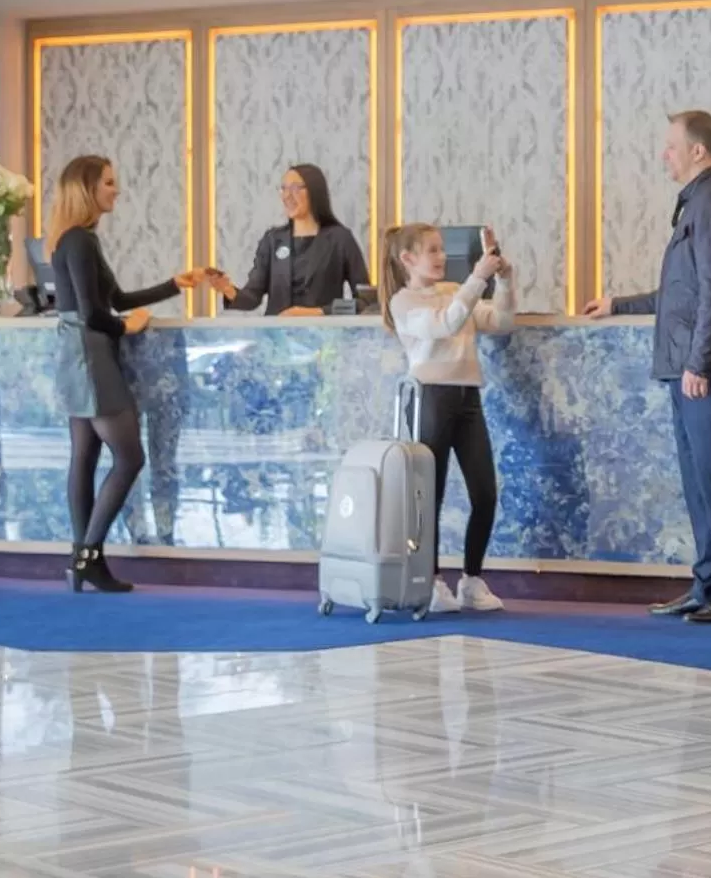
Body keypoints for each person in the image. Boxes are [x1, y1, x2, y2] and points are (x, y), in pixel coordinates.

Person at [583, 110, 711, 625]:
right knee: (699, 481)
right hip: (691, 367)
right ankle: (707, 585)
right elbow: (683, 294)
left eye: (670, 146)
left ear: (697, 151)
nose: (665, 154)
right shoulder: (697, 204)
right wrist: (619, 303)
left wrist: (700, 361)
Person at [48, 154, 207, 592]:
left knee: (85, 456)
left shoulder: (75, 240)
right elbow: (97, 313)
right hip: (91, 355)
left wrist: (175, 284)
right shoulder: (79, 241)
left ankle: (83, 559)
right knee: (130, 457)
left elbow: (115, 297)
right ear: (88, 189)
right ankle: (86, 556)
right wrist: (126, 326)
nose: (116, 190)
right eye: (109, 183)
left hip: (79, 353)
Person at [381, 222, 517, 614]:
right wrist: (478, 277)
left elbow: (501, 321)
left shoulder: (454, 292)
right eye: (432, 251)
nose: (442, 258)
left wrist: (504, 280)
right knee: (430, 496)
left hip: (467, 397)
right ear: (408, 259)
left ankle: (472, 580)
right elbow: (446, 323)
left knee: (485, 493)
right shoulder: (403, 302)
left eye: (442, 250)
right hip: (430, 399)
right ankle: (432, 581)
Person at [212, 163, 370, 316]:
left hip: (325, 339)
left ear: (315, 191)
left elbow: (365, 302)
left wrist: (319, 312)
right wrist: (226, 289)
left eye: (295, 188)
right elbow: (252, 297)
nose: (287, 195)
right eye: (283, 189)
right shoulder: (272, 240)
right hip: (276, 339)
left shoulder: (340, 239)